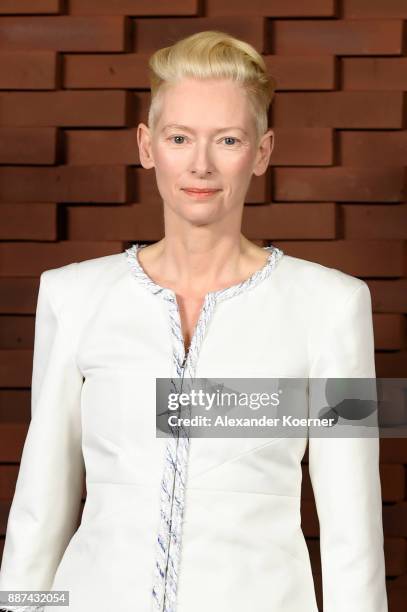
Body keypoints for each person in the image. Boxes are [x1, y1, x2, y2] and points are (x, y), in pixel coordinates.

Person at [0, 31, 388, 612]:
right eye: (179, 137)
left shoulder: (330, 306)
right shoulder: (73, 295)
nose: (200, 164)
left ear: (261, 152)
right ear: (147, 145)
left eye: (227, 139)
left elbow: (352, 528)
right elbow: (40, 507)